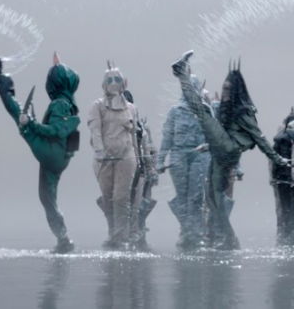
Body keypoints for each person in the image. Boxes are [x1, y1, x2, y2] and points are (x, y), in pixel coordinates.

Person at [170, 51, 288, 250]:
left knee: (202, 110)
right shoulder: (228, 111)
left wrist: (276, 158)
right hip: (221, 152)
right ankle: (230, 238)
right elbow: (226, 133)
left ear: (235, 90)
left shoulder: (243, 112)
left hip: (229, 151)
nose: (224, 92)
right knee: (212, 198)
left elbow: (259, 137)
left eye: (228, 89)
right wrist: (208, 146)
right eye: (223, 88)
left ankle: (181, 73)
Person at [0, 53, 81, 254]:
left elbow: (57, 130)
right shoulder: (68, 103)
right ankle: (63, 239)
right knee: (46, 198)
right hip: (58, 158)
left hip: (53, 153)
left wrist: (32, 124)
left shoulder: (59, 104)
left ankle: (2, 85)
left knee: (22, 121)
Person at [157, 73, 212, 251]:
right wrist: (160, 160)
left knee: (195, 197)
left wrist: (207, 147)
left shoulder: (205, 110)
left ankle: (194, 234)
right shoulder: (175, 111)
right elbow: (167, 137)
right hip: (179, 155)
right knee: (181, 198)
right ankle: (186, 231)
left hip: (199, 155)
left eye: (193, 87)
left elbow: (215, 135)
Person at [88, 62, 140, 250]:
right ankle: (113, 233)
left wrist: (140, 160)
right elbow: (95, 131)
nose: (113, 83)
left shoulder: (131, 108)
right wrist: (100, 152)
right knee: (108, 198)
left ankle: (122, 238)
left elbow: (134, 135)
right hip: (104, 159)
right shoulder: (97, 106)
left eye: (116, 79)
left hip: (126, 157)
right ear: (104, 84)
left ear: (123, 83)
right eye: (109, 80)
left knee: (121, 197)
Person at [123, 90, 159, 251]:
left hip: (142, 172)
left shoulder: (140, 126)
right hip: (125, 171)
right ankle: (126, 236)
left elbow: (149, 149)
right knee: (125, 206)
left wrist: (152, 170)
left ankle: (138, 237)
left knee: (140, 207)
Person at [271, 109, 294, 247]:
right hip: (290, 178)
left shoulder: (280, 138)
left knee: (286, 207)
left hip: (283, 178)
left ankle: (288, 232)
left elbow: (274, 159)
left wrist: (275, 175)